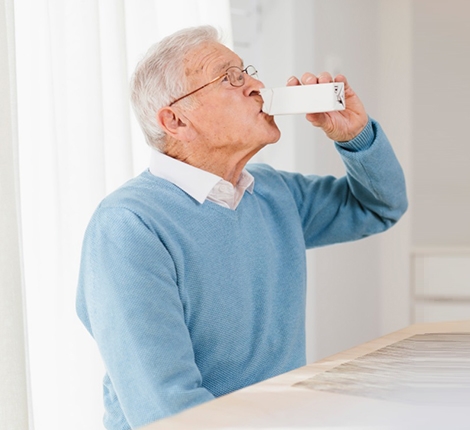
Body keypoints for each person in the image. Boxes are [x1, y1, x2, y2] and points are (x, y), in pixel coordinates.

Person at [75, 26, 407, 430]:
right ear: (175, 120)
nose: (257, 86)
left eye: (246, 72)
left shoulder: (272, 192)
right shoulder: (128, 226)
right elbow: (166, 411)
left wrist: (356, 136)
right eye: (230, 77)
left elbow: (379, 207)